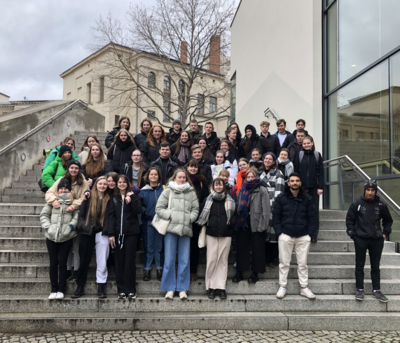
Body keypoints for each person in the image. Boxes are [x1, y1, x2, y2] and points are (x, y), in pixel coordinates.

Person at [346, 180, 393, 303]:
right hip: (360, 239)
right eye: (368, 190)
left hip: (377, 240)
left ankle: (376, 290)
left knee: (375, 266)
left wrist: (385, 234)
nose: (370, 192)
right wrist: (352, 235)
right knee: (359, 265)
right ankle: (359, 289)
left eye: (372, 190)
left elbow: (388, 221)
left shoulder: (381, 205)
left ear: (375, 191)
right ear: (365, 190)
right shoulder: (357, 203)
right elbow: (350, 220)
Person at [155, 169, 199, 300]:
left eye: (184, 177)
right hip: (171, 229)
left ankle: (182, 288)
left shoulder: (190, 192)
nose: (182, 179)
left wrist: (189, 219)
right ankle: (169, 288)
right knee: (169, 259)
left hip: (185, 229)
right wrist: (171, 216)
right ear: (174, 178)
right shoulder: (168, 190)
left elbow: (196, 209)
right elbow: (159, 208)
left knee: (184, 260)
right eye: (179, 177)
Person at [273, 172, 317, 300]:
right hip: (285, 234)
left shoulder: (307, 198)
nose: (295, 183)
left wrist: (310, 234)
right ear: (288, 183)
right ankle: (282, 286)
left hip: (303, 235)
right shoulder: (281, 197)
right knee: (284, 262)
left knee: (303, 263)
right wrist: (279, 232)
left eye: (297, 181)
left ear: (300, 183)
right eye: (292, 181)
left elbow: (312, 218)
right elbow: (276, 216)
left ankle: (304, 288)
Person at [71, 176, 115, 299]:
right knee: (84, 260)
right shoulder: (88, 197)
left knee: (102, 260)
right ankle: (80, 286)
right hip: (87, 231)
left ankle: (101, 286)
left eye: (104, 184)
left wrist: (111, 234)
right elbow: (81, 214)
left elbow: (111, 218)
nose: (102, 186)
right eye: (100, 183)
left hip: (102, 232)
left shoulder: (109, 200)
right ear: (95, 185)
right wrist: (82, 226)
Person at [197, 178, 237, 300]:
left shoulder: (229, 200)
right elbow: (202, 215)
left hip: (226, 234)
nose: (218, 187)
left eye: (220, 185)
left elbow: (234, 216)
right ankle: (211, 287)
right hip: (211, 233)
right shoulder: (207, 200)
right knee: (211, 260)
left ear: (224, 187)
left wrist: (229, 225)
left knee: (223, 261)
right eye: (216, 185)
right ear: (213, 186)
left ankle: (221, 287)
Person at [40, 179, 78, 300]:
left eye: (66, 188)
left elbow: (77, 216)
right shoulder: (52, 202)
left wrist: (70, 227)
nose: (63, 190)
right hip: (51, 236)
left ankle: (61, 289)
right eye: (61, 188)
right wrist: (48, 228)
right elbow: (44, 215)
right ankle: (53, 289)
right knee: (53, 263)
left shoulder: (73, 203)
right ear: (58, 190)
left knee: (63, 263)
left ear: (69, 190)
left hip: (66, 237)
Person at [233, 168, 270, 283]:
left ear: (257, 177)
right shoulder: (242, 189)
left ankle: (255, 273)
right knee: (241, 247)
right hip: (243, 222)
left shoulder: (262, 190)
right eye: (248, 177)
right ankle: (240, 271)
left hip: (257, 222)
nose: (250, 179)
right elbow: (238, 206)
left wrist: (262, 226)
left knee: (257, 248)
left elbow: (266, 210)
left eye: (252, 176)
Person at [108, 175, 142, 300]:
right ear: (117, 184)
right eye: (120, 182)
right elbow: (110, 217)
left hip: (131, 234)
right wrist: (111, 234)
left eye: (124, 182)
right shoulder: (114, 198)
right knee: (119, 262)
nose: (122, 184)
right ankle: (121, 289)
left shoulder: (133, 196)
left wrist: (132, 198)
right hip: (117, 234)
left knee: (129, 262)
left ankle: (131, 289)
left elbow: (137, 211)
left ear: (127, 183)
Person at [294, 136, 324, 242]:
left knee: (314, 211)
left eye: (308, 143)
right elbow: (296, 171)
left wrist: (320, 187)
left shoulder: (317, 155)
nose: (306, 145)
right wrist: (297, 186)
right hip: (301, 188)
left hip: (314, 188)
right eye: (304, 143)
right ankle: (303, 232)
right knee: (302, 210)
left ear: (312, 143)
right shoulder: (300, 155)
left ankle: (313, 235)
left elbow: (321, 172)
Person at [186, 159, 210, 282]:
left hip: (197, 219)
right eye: (191, 166)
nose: (193, 169)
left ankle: (193, 271)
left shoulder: (202, 182)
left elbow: (206, 199)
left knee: (194, 247)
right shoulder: (183, 180)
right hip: (184, 217)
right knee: (184, 246)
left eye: (195, 167)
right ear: (187, 168)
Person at [259, 152, 285, 266]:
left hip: (273, 206)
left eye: (270, 159)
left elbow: (279, 192)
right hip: (261, 206)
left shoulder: (278, 173)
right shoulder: (259, 173)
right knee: (264, 232)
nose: (267, 160)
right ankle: (264, 258)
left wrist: (274, 207)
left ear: (274, 161)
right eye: (266, 158)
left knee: (274, 233)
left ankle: (273, 258)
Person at [139, 168, 164, 282]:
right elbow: (140, 205)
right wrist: (145, 212)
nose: (153, 176)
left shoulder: (163, 190)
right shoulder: (143, 191)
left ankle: (160, 269)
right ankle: (147, 270)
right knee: (148, 247)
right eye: (151, 174)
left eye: (155, 174)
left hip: (161, 221)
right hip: (148, 221)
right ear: (148, 177)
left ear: (158, 176)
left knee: (159, 247)